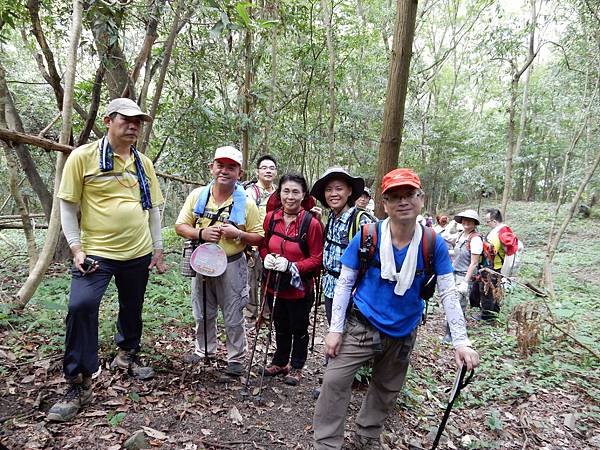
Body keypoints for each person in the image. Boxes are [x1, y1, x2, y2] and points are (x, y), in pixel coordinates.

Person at [313, 168, 479, 449]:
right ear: (385, 203)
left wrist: (461, 342)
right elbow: (344, 283)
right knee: (334, 381)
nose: (403, 201)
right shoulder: (368, 236)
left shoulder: (432, 242)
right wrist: (335, 329)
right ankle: (327, 443)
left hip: (404, 328)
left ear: (421, 199)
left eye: (409, 195)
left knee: (386, 388)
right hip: (362, 323)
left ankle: (367, 436)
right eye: (394, 196)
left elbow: (448, 291)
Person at [48, 98, 166, 422]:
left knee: (133, 305)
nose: (133, 126)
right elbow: (68, 207)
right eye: (126, 120)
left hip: (137, 251)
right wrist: (75, 248)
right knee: (80, 306)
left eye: (138, 122)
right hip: (96, 252)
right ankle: (78, 381)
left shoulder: (143, 163)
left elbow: (152, 208)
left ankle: (126, 354)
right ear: (107, 120)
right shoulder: (82, 157)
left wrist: (157, 248)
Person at [175, 146, 263, 377]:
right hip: (202, 262)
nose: (224, 171)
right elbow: (180, 226)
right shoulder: (197, 196)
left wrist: (239, 234)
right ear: (211, 168)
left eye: (231, 167)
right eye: (220, 165)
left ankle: (235, 358)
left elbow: (259, 236)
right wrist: (201, 234)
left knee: (233, 314)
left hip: (232, 264)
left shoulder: (247, 204)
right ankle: (204, 350)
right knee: (202, 312)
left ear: (240, 173)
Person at [259, 174, 324, 385]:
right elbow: (264, 244)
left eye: (296, 192)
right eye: (286, 191)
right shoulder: (271, 218)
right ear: (279, 193)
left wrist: (293, 266)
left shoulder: (311, 224)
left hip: (300, 287)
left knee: (299, 327)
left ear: (303, 195)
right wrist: (265, 256)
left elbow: (317, 258)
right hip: (275, 284)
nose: (290, 196)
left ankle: (297, 366)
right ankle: (280, 361)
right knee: (280, 324)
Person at [309, 167, 374, 325]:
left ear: (349, 191)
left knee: (350, 342)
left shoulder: (362, 221)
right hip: (331, 289)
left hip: (354, 292)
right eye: (328, 189)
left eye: (339, 189)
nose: (333, 194)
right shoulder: (331, 217)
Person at [244, 155, 278, 319]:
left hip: (273, 244)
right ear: (257, 172)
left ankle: (266, 313)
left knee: (269, 280)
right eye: (264, 168)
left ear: (276, 172)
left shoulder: (280, 192)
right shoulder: (251, 192)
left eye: (271, 168)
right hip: (255, 243)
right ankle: (251, 314)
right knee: (251, 281)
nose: (268, 171)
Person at [445, 209, 483, 342]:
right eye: (464, 220)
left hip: (463, 275)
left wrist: (466, 282)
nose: (466, 222)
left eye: (470, 220)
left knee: (458, 304)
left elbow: (474, 263)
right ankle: (450, 330)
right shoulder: (461, 235)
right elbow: (448, 240)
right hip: (453, 272)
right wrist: (449, 226)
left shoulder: (475, 239)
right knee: (451, 301)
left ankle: (454, 334)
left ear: (474, 223)